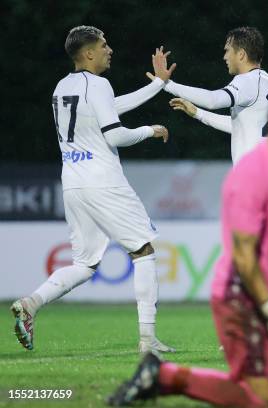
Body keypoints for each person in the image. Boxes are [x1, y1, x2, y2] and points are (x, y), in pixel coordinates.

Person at [107, 92, 268, 407]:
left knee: (263, 395)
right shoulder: (250, 175)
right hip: (237, 298)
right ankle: (161, 376)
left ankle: (159, 376)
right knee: (260, 398)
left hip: (258, 295)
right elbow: (243, 255)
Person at [10, 25, 176, 354]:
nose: (109, 49)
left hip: (72, 182)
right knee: (143, 251)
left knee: (86, 264)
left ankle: (31, 303)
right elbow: (115, 134)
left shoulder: (62, 87)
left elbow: (111, 106)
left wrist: (158, 85)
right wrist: (150, 130)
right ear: (88, 53)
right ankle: (148, 340)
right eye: (103, 45)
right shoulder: (97, 84)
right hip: (104, 181)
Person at [166, 27, 268, 336]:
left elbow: (213, 98)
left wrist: (167, 84)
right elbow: (240, 126)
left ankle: (262, 325)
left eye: (227, 50)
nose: (224, 56)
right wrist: (198, 115)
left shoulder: (246, 82)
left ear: (241, 54)